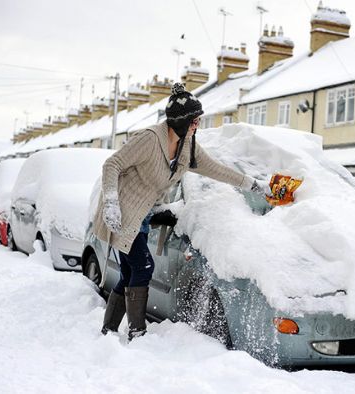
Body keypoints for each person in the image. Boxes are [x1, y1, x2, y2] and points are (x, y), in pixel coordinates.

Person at [93, 82, 267, 341]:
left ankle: (108, 330)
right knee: (143, 267)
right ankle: (137, 332)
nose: (198, 125)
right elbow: (112, 164)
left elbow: (216, 169)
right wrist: (110, 202)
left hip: (143, 214)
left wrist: (254, 185)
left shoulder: (188, 147)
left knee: (130, 272)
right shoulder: (150, 139)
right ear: (182, 121)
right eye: (195, 120)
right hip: (122, 211)